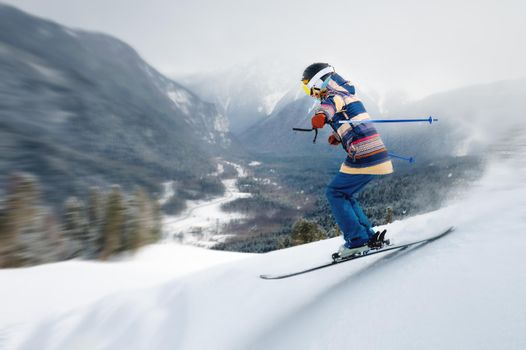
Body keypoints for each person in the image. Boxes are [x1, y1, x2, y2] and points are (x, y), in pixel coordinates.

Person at [301, 63, 393, 258]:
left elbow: (331, 107)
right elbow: (350, 118)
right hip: (371, 151)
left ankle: (357, 240)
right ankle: (366, 236)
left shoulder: (334, 95)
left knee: (335, 193)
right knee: (344, 194)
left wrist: (321, 115)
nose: (308, 91)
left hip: (364, 153)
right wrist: (339, 135)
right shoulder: (347, 92)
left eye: (307, 85)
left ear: (318, 81)